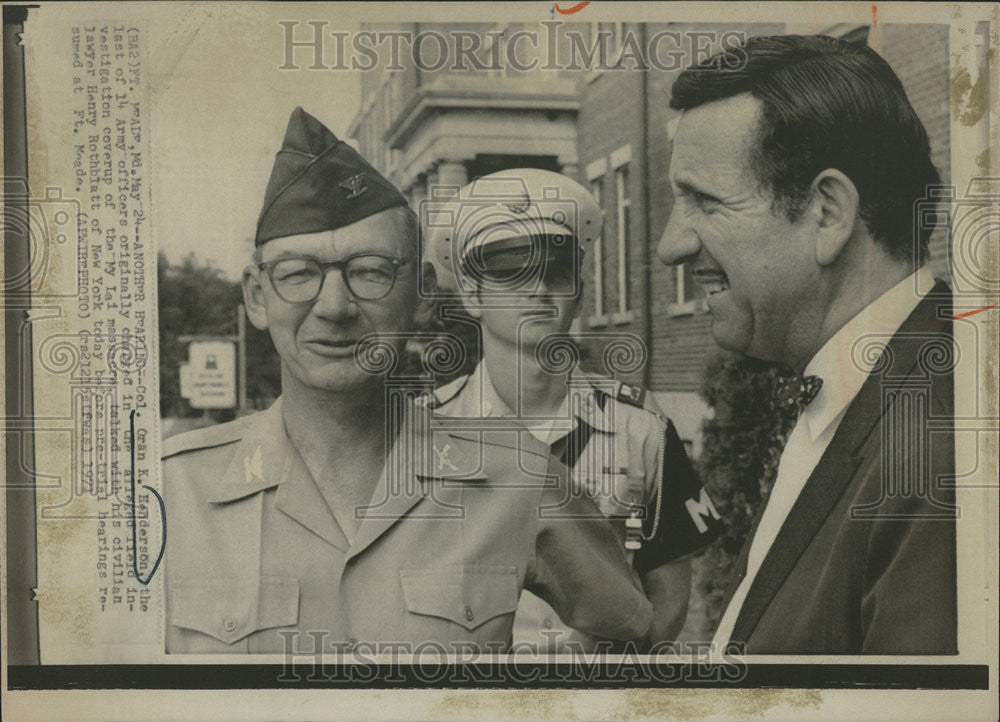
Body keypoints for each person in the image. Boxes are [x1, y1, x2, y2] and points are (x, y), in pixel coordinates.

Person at [162, 108, 651, 654]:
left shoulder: (519, 477)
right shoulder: (168, 494)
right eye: (298, 273)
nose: (334, 307)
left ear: (421, 293)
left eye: (370, 271)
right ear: (257, 296)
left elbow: (630, 630)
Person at [657, 35, 957, 654]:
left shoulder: (942, 448)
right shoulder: (864, 392)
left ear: (827, 214)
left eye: (704, 201)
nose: (671, 245)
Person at [422, 168, 723, 653]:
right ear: (471, 294)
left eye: (556, 272)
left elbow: (667, 599)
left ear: (578, 293)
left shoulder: (639, 427)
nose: (538, 289)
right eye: (511, 269)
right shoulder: (426, 431)